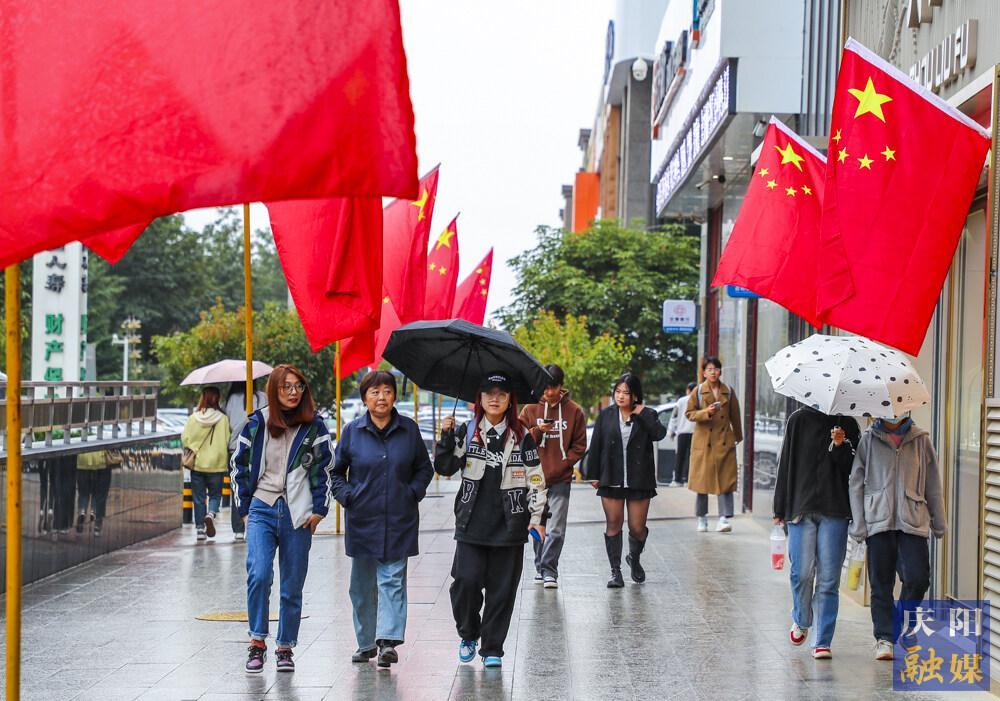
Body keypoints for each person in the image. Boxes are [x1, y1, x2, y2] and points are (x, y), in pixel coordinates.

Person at [435, 371, 548, 669]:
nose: (494, 398)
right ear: (480, 399)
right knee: (465, 583)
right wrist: (446, 438)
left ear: (510, 399)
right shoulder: (467, 431)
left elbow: (536, 480)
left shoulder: (523, 436)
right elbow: (445, 466)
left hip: (510, 525)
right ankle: (469, 634)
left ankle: (492, 648)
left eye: (501, 393)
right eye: (488, 393)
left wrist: (538, 518)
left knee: (502, 591)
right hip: (471, 523)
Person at [231, 364, 332, 674]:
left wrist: (318, 512)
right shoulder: (256, 423)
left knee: (292, 585)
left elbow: (324, 469)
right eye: (285, 387)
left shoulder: (314, 426)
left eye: (298, 386)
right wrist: (245, 510)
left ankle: (285, 647)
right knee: (259, 574)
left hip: (297, 513)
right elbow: (238, 466)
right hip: (261, 507)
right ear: (273, 391)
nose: (292, 392)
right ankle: (257, 642)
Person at [331, 370, 434, 669]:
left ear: (394, 396)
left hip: (399, 519)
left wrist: (412, 492)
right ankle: (366, 644)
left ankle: (387, 641)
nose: (381, 397)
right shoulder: (352, 431)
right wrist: (347, 497)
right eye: (374, 392)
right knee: (362, 587)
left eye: (387, 391)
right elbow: (336, 472)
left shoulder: (409, 430)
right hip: (362, 520)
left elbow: (423, 469)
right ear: (364, 397)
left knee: (392, 581)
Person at [849, 414, 946, 662]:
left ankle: (901, 623)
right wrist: (859, 523)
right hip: (878, 519)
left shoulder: (921, 440)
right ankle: (884, 638)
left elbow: (933, 483)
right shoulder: (869, 440)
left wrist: (939, 520)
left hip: (912, 518)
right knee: (881, 583)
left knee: (918, 578)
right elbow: (856, 483)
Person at [773, 406, 861, 660]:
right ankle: (801, 618)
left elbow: (853, 470)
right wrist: (779, 508)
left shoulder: (849, 424)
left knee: (829, 579)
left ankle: (822, 640)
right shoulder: (798, 420)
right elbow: (786, 464)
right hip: (801, 507)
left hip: (835, 509)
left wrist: (840, 445)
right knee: (801, 572)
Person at [585, 372, 666, 588]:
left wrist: (643, 413)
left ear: (635, 395)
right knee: (613, 523)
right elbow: (596, 446)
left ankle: (635, 558)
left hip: (639, 479)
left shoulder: (648, 414)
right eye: (618, 392)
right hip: (611, 477)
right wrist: (593, 474)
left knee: (637, 527)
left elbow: (659, 434)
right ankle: (615, 571)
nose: (620, 396)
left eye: (626, 393)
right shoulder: (606, 416)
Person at [518, 363, 587, 589]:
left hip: (561, 479)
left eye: (554, 387)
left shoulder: (574, 411)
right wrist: (539, 431)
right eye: (545, 388)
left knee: (556, 529)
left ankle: (549, 570)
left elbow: (580, 444)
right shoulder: (529, 409)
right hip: (535, 480)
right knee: (538, 526)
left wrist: (566, 463)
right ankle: (540, 565)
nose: (549, 393)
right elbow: (519, 441)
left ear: (561, 386)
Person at [686, 357, 743, 533]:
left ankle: (724, 518)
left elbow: (735, 415)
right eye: (709, 369)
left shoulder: (729, 392)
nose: (713, 372)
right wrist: (706, 412)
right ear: (704, 372)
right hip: (704, 443)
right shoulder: (698, 391)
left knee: (725, 481)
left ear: (720, 371)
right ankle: (702, 518)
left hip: (724, 441)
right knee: (702, 484)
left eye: (716, 369)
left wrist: (737, 437)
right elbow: (689, 414)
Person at [182, 386, 231, 542]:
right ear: (217, 398)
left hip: (198, 464)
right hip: (217, 464)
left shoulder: (193, 418)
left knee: (198, 497)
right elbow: (227, 440)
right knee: (216, 495)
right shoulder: (223, 419)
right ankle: (211, 514)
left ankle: (200, 529)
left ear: (203, 397)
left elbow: (185, 439)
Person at [225, 381, 268, 542]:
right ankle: (257, 522)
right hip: (257, 448)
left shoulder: (230, 400)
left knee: (237, 488)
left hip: (234, 448)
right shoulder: (262, 397)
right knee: (258, 486)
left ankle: (238, 529)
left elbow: (227, 423)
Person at [75, 448, 122, 537]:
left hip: (82, 459)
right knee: (100, 493)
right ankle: (97, 520)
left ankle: (82, 510)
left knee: (83, 492)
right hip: (101, 460)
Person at [667, 382, 697, 486]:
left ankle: (677, 479)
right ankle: (688, 479)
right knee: (692, 456)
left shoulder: (681, 401)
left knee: (680, 455)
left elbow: (674, 416)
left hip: (682, 431)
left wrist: (671, 431)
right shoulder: (699, 400)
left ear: (688, 390)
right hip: (695, 432)